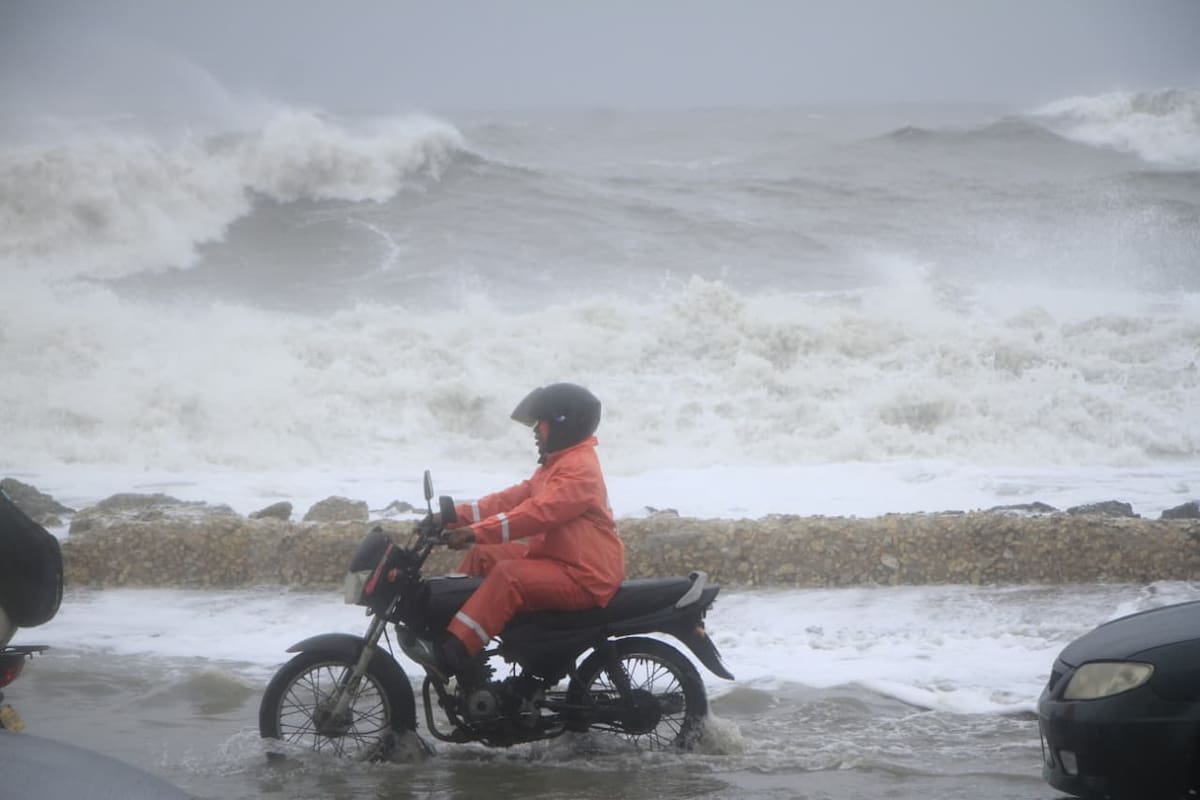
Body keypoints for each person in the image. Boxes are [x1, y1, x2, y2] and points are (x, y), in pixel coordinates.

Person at [406, 383, 625, 681]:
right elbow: (509, 500)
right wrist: (452, 517)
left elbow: (536, 514)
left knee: (509, 577)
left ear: (563, 425)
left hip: (586, 575)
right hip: (559, 558)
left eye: (540, 424)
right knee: (483, 556)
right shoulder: (557, 464)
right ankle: (458, 635)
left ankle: (454, 652)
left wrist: (474, 532)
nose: (535, 432)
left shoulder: (579, 470)